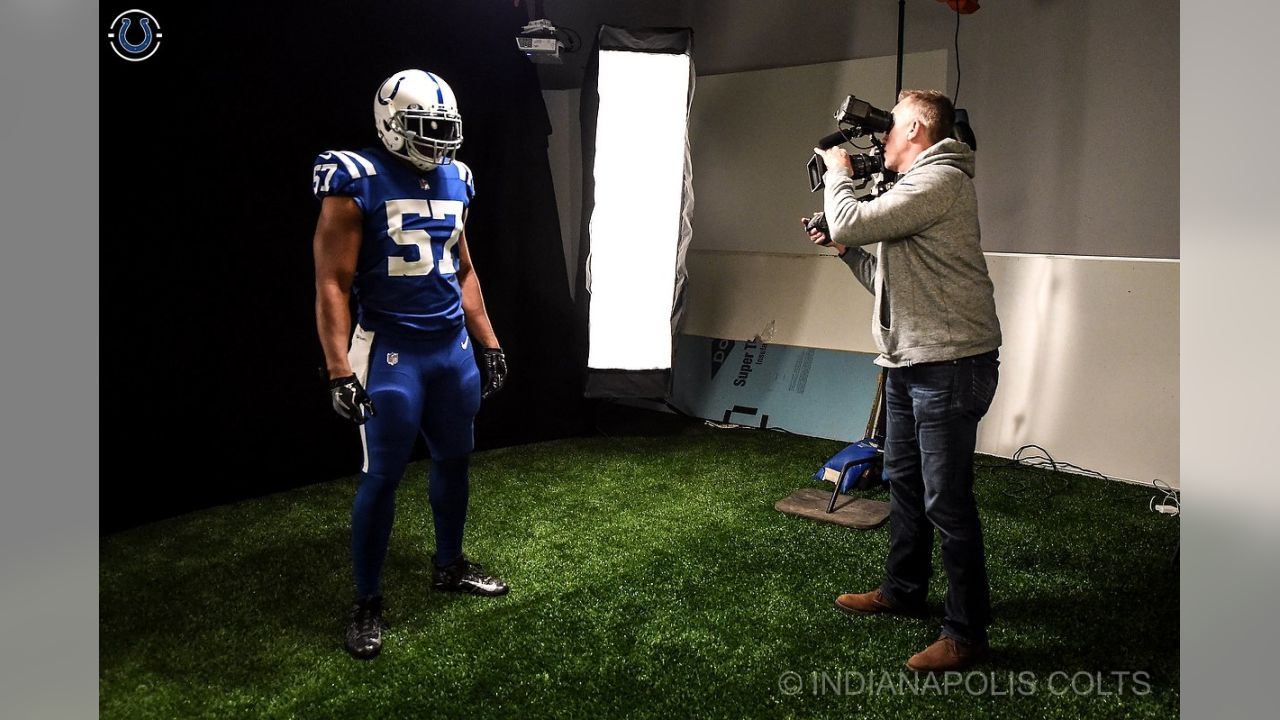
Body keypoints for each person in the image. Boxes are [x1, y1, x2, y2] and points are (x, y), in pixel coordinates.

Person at [312, 69, 511, 660]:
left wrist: (489, 341)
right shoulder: (358, 179)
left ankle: (448, 565)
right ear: (391, 124)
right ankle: (367, 600)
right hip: (391, 352)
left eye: (444, 130)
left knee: (455, 461)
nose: (439, 143)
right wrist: (338, 369)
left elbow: (464, 269)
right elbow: (332, 281)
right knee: (383, 476)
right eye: (426, 129)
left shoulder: (457, 178)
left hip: (449, 351)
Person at [804, 90, 1002, 672]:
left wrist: (838, 172)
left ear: (915, 127)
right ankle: (903, 591)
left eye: (890, 126)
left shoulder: (939, 181)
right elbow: (884, 277)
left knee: (947, 500)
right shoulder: (912, 191)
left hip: (949, 364)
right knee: (907, 485)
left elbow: (849, 214)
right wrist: (844, 250)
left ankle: (966, 634)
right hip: (910, 362)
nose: (882, 137)